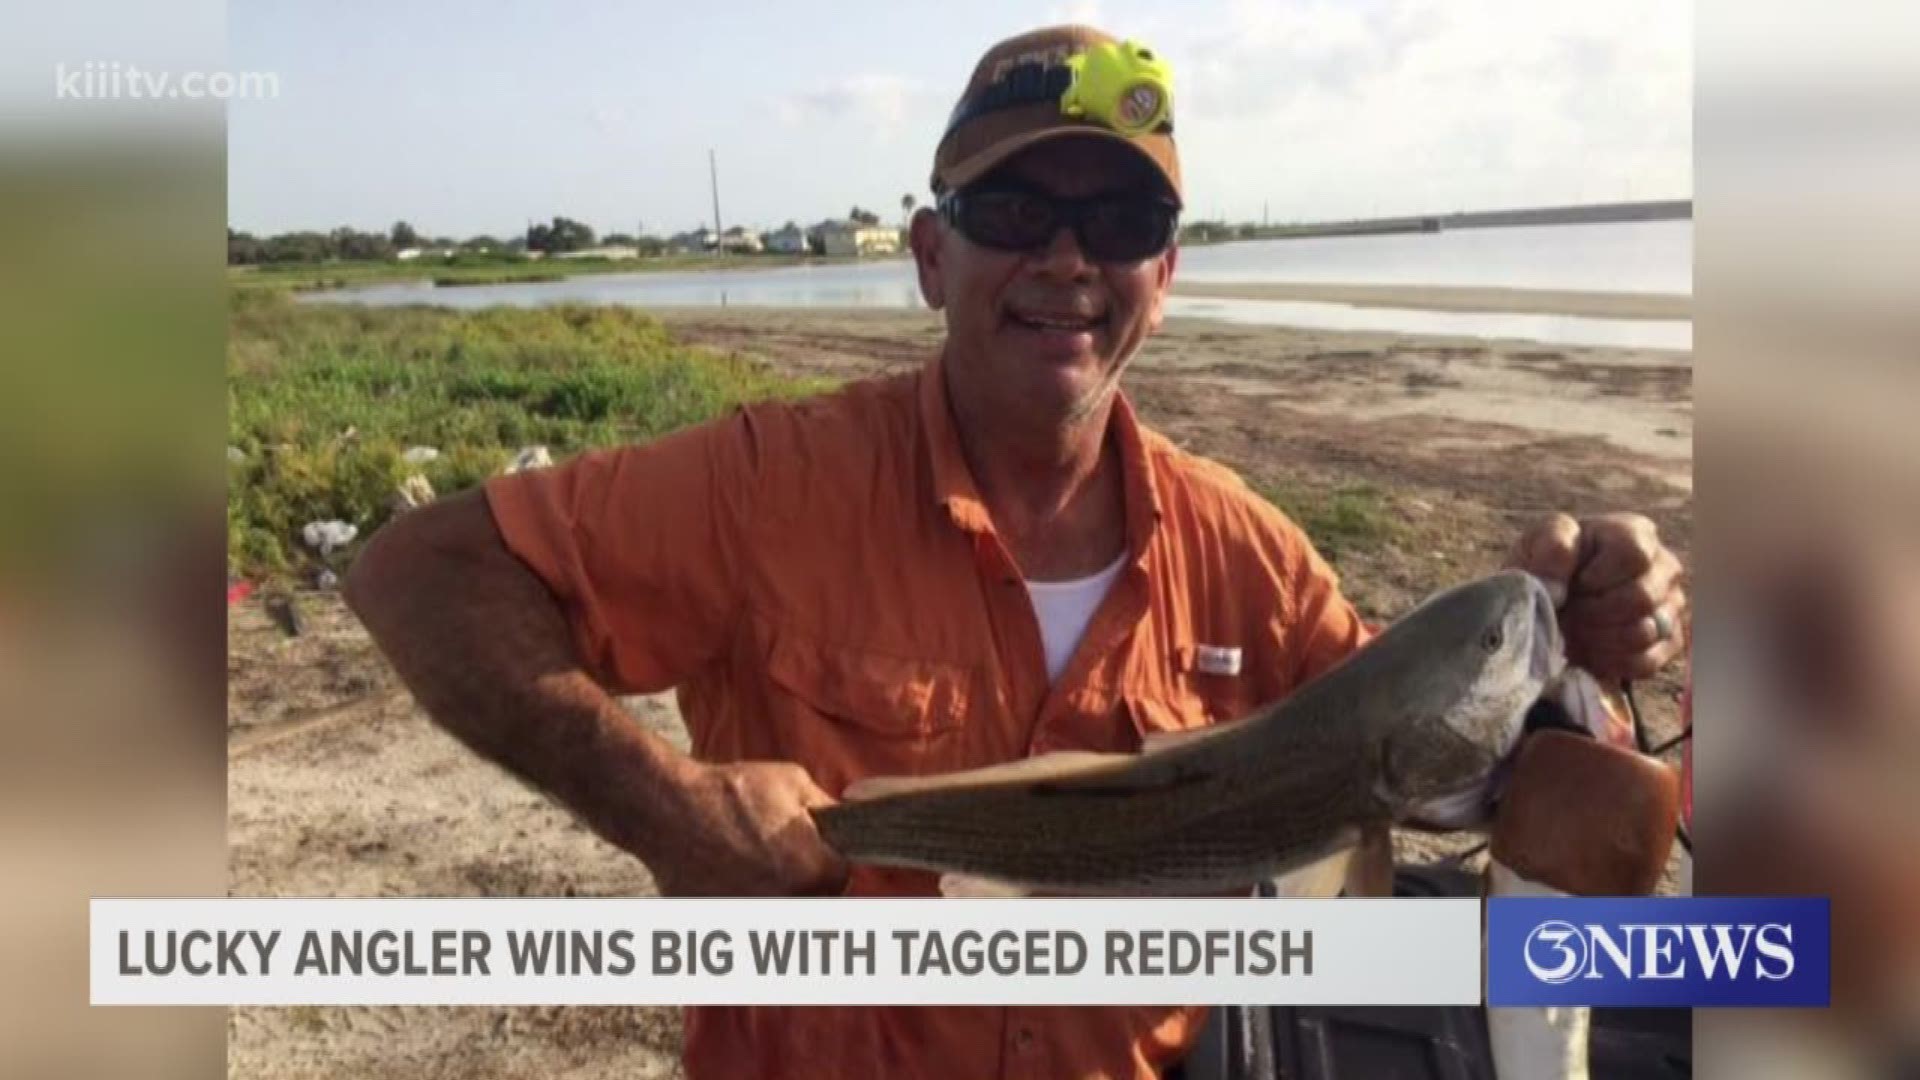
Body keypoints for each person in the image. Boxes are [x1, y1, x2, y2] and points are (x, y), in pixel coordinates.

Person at [345, 24, 1689, 1080]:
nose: (1066, 258)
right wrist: (660, 807)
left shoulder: (1254, 560)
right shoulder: (769, 485)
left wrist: (1588, 622)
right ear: (931, 257)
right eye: (1016, 211)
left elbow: (1441, 779)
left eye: (1118, 222)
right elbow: (418, 572)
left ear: (1167, 275)